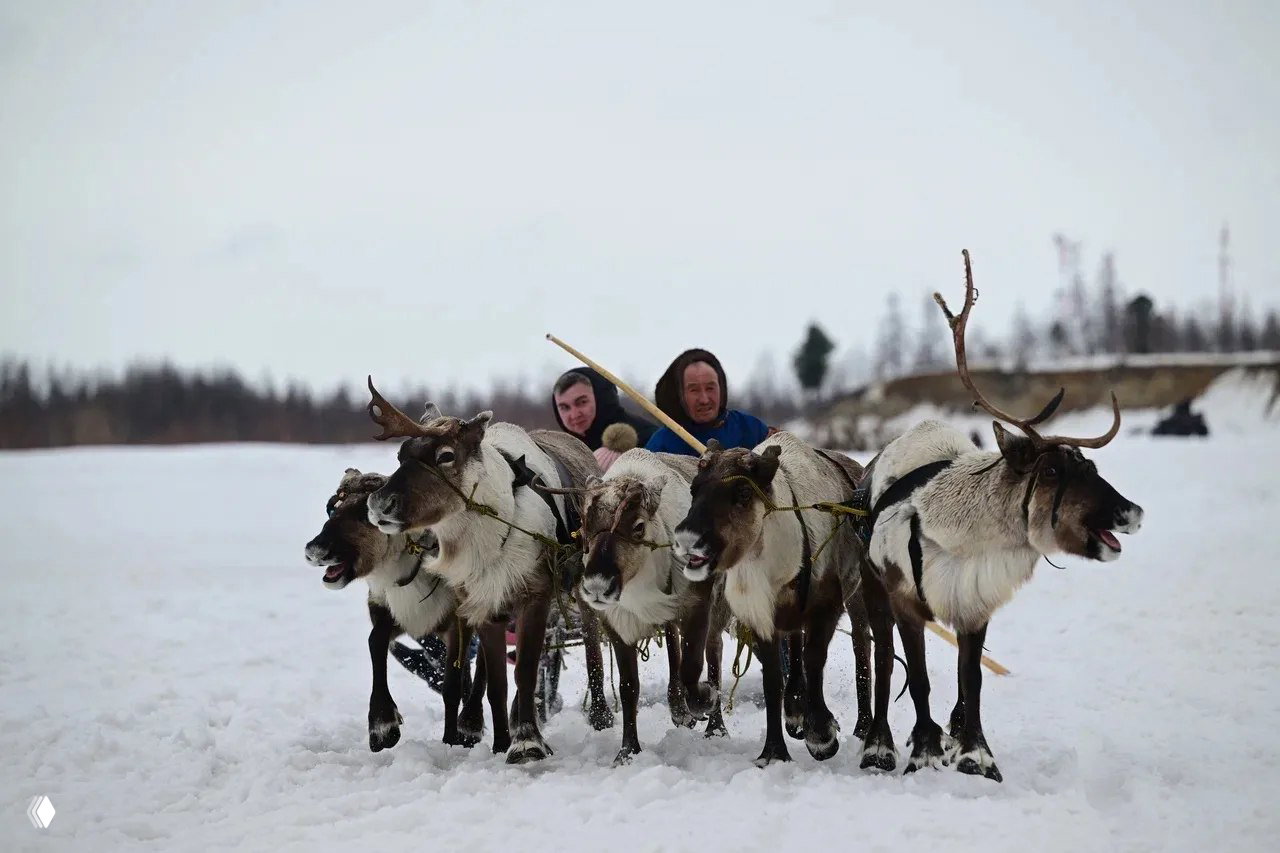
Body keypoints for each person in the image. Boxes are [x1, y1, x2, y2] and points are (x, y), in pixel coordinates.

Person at [644, 348, 771, 456]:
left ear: (721, 388)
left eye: (710, 388)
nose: (704, 400)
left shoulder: (752, 429)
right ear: (680, 395)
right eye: (694, 390)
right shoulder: (661, 445)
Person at [551, 367, 657, 451]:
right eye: (564, 407)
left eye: (582, 402)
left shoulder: (649, 440)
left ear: (602, 398)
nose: (574, 415)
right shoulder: (562, 453)